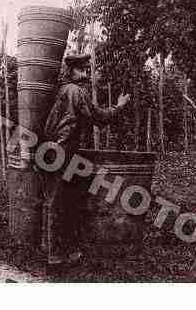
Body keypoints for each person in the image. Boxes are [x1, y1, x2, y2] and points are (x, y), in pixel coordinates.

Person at [42, 54, 130, 269]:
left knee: (58, 202)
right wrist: (119, 107)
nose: (86, 73)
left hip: (50, 150)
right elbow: (98, 117)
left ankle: (55, 248)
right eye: (81, 69)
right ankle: (55, 257)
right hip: (63, 152)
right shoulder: (76, 91)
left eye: (86, 69)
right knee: (60, 205)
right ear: (71, 71)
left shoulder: (60, 89)